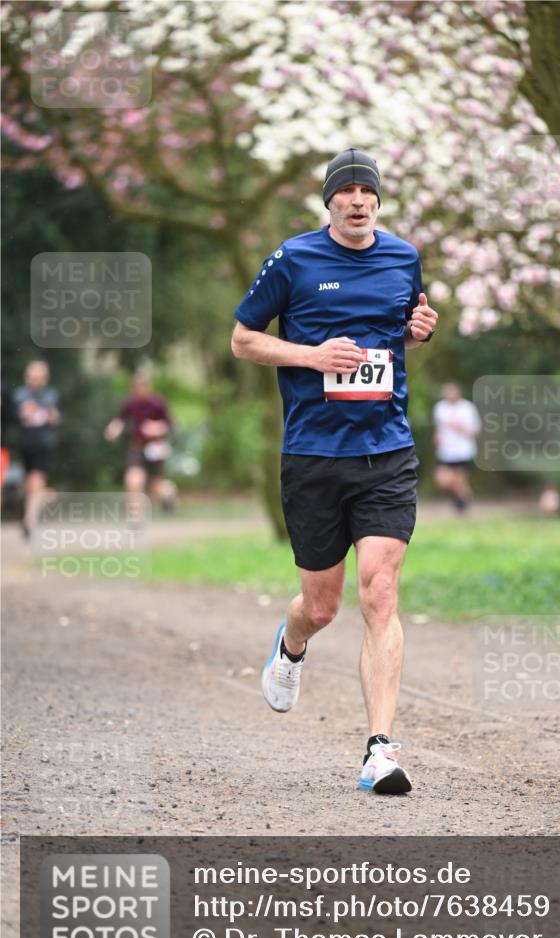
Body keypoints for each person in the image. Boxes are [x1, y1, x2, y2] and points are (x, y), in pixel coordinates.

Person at [232, 148, 439, 795]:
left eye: (365, 190)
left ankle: (379, 750)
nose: (356, 199)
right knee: (321, 607)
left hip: (385, 451)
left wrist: (418, 330)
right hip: (314, 456)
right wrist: (311, 355)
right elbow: (242, 338)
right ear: (328, 200)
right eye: (344, 190)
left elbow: (394, 328)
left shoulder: (403, 258)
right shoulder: (293, 259)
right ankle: (290, 645)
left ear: (377, 199)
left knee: (379, 592)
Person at [104, 371, 176, 516]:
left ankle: (169, 494)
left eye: (144, 385)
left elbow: (170, 425)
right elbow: (120, 420)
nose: (141, 389)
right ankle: (136, 519)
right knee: (133, 480)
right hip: (137, 447)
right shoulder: (130, 403)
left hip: (155, 449)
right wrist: (113, 429)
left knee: (156, 486)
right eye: (138, 386)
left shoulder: (158, 403)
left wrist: (156, 428)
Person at [12, 360, 60, 538]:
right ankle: (42, 500)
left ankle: (29, 521)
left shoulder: (51, 396)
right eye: (33, 376)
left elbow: (56, 418)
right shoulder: (19, 395)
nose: (35, 380)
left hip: (44, 443)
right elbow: (13, 417)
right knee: (29, 484)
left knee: (36, 479)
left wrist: (48, 415)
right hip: (25, 443)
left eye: (39, 376)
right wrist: (23, 413)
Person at [433, 382, 481, 513]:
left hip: (463, 451)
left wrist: (460, 428)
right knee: (442, 480)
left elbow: (474, 432)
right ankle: (462, 500)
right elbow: (439, 428)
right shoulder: (440, 408)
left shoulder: (467, 408)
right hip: (445, 451)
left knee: (459, 483)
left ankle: (462, 506)